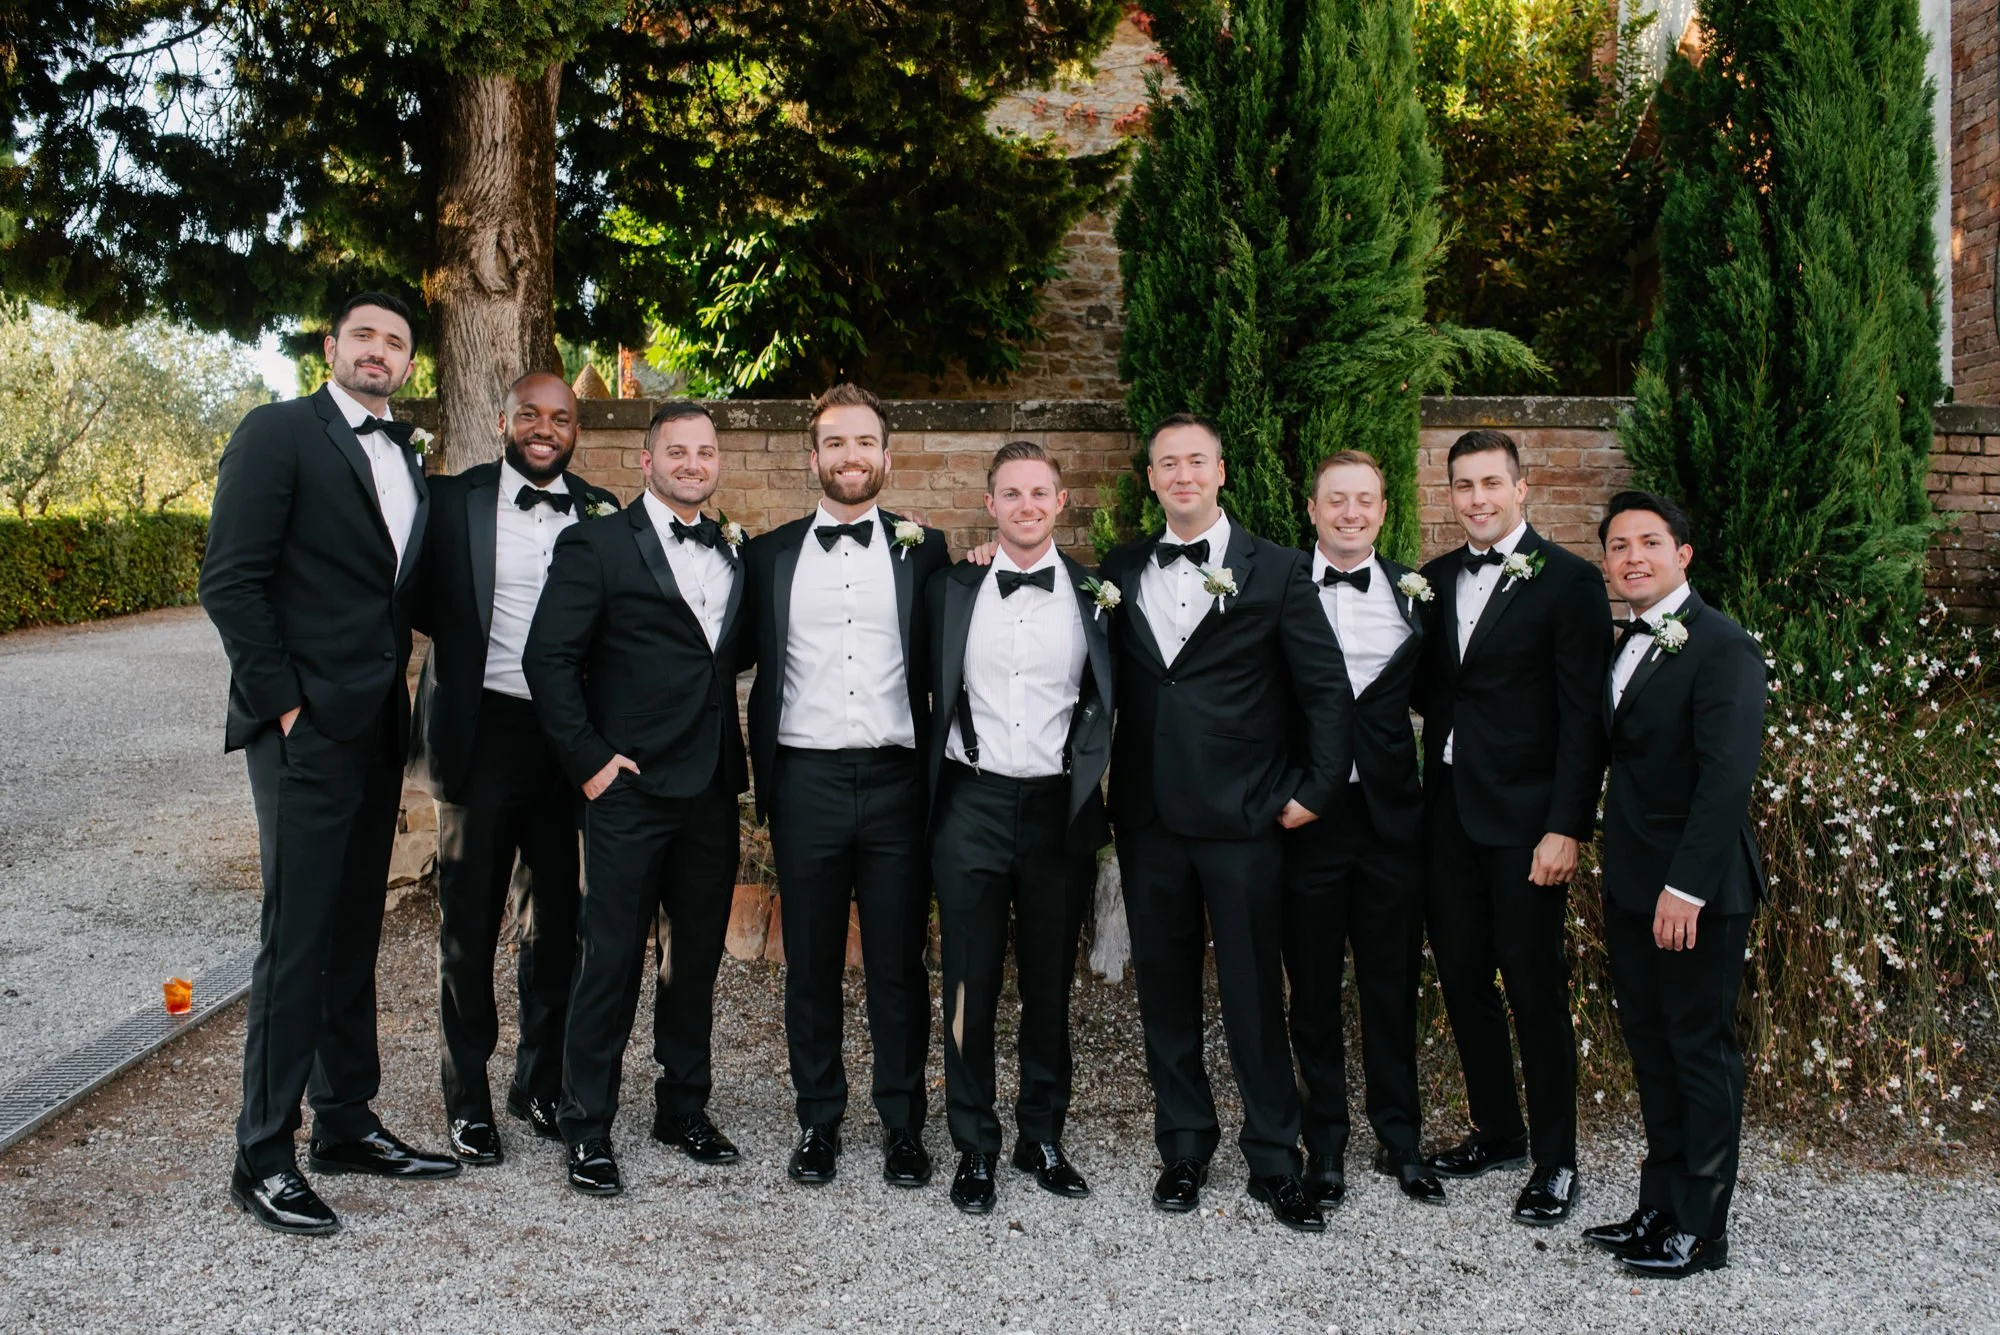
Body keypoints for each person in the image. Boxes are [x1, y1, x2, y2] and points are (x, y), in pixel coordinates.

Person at [201, 291, 458, 1236]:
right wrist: (285, 703)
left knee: (355, 933)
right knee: (296, 939)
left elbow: (405, 590)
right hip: (302, 731)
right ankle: (262, 1152)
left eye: (396, 341)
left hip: (377, 729)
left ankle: (345, 1121)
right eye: (365, 336)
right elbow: (229, 578)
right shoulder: (279, 434)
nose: (381, 351)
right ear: (331, 346)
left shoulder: (408, 459)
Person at [1096, 413, 1353, 1233]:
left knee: (1251, 994)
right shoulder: (1120, 568)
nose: (1181, 475)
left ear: (1221, 472)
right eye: (1167, 464)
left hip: (1246, 817)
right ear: (1151, 479)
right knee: (1164, 992)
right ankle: (1184, 1145)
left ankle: (1276, 1156)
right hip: (1149, 818)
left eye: (1195, 461)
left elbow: (1325, 690)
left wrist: (1313, 788)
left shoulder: (1274, 570)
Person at [522, 402, 749, 1196]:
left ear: (719, 463)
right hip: (627, 791)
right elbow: (546, 657)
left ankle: (681, 1106)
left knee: (695, 963)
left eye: (705, 451)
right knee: (610, 960)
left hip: (712, 791)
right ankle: (588, 1126)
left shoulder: (732, 549)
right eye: (677, 451)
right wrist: (589, 762)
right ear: (646, 462)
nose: (693, 462)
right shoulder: (595, 543)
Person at [739, 384, 950, 1189]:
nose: (851, 456)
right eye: (835, 442)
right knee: (812, 962)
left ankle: (903, 1125)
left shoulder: (927, 550)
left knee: (899, 963)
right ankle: (818, 1121)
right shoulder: (768, 555)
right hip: (806, 780)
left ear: (886, 457)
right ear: (814, 456)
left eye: (865, 442)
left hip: (899, 781)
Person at [407, 370, 621, 1164]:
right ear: (503, 419)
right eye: (529, 413)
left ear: (575, 429)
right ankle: (466, 1095)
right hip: (480, 731)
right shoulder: (453, 501)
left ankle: (537, 1082)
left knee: (559, 924)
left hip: (567, 740)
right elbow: (421, 601)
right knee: (468, 928)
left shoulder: (604, 510)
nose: (543, 426)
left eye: (559, 417)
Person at [1413, 429, 1612, 1227]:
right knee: (1461, 978)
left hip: (1529, 824)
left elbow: (1583, 720)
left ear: (1521, 488)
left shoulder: (1569, 583)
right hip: (1448, 814)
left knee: (1532, 986)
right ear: (1450, 494)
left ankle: (1556, 1159)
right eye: (1464, 485)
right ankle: (1497, 1129)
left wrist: (1567, 825)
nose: (1478, 498)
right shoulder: (1430, 580)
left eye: (1491, 482)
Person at [1582, 490, 1765, 1278]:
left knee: (1700, 1050)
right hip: (1630, 884)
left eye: (1649, 542)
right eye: (1618, 545)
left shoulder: (1722, 646)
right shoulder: (1624, 644)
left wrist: (1684, 888)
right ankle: (1658, 1205)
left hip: (1697, 893)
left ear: (1682, 554)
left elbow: (1727, 778)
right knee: (1651, 1049)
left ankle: (1703, 1225)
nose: (1632, 557)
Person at [925, 442, 1111, 1214]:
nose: (1027, 505)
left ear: (1060, 502)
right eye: (1012, 493)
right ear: (991, 503)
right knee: (969, 980)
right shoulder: (950, 588)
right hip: (969, 800)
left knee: (1047, 983)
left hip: (1057, 809)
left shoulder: (1101, 595)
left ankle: (1042, 1133)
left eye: (1040, 492)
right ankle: (975, 1144)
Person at [1283, 451, 1444, 1210]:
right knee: (1312, 991)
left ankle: (1401, 1138)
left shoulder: (1416, 594)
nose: (1351, 513)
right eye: (1336, 500)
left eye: (1365, 501)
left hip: (1390, 821)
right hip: (1307, 823)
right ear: (1311, 509)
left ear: (1384, 509)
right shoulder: (1275, 587)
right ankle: (1326, 1145)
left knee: (1391, 986)